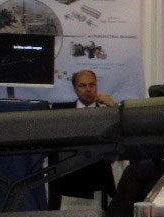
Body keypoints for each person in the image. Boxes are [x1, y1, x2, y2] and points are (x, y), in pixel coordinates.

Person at [48, 70, 116, 209]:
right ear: (75, 89)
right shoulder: (59, 111)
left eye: (92, 85)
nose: (88, 89)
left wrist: (114, 107)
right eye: (83, 86)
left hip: (97, 177)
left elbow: (119, 136)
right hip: (67, 179)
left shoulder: (107, 111)